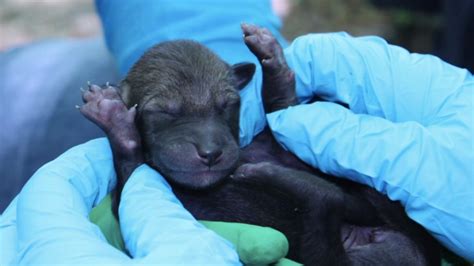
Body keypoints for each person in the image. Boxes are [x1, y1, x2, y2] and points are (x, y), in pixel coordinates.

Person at [1, 0, 472, 264]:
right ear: (126, 107)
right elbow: (135, 196)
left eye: (227, 108)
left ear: (240, 90)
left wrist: (275, 80)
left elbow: (293, 143)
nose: (209, 146)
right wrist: (126, 149)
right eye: (166, 114)